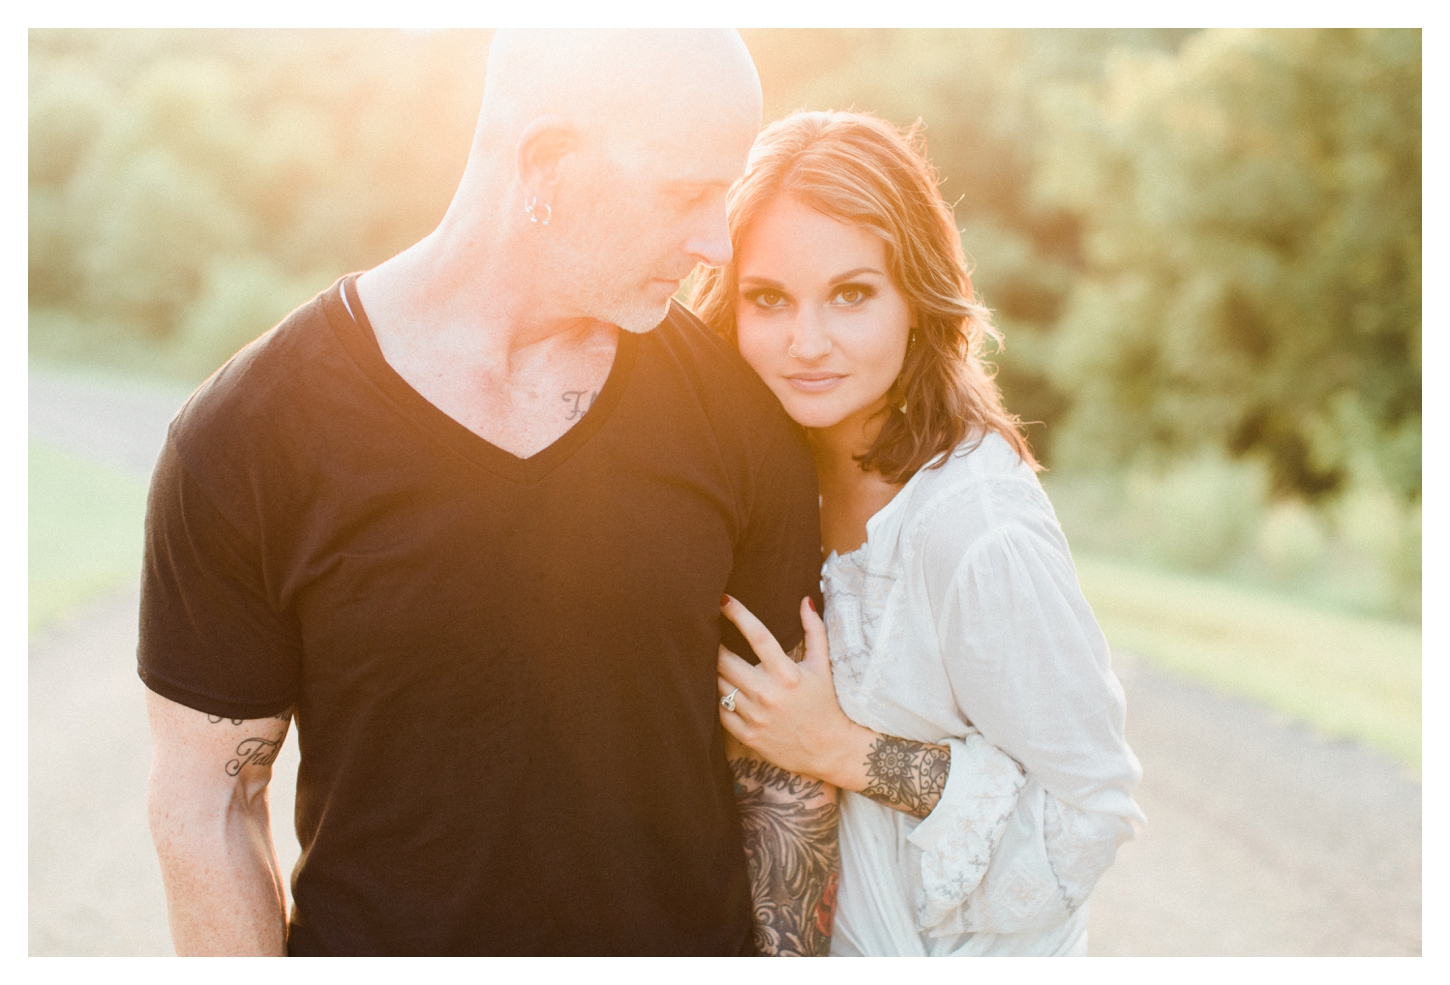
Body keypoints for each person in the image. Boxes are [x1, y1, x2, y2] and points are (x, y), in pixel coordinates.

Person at [139, 30, 839, 956]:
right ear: (547, 162)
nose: (717, 243)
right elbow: (209, 804)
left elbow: (781, 777)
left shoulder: (739, 419)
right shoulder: (244, 438)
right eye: (685, 195)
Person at [692, 110, 1145, 956]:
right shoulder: (751, 480)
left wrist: (845, 749)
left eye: (852, 294)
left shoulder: (976, 527)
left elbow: (1091, 812)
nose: (807, 342)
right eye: (768, 298)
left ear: (917, 300)